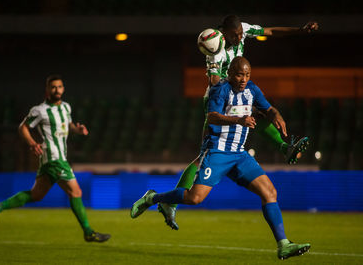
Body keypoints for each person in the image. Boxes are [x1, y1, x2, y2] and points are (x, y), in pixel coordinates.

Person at [131, 57, 310, 260]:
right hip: (217, 151)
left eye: (247, 74)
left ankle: (283, 244)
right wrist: (239, 120)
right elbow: (212, 116)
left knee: (270, 192)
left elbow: (267, 109)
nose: (244, 79)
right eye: (240, 74)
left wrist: (276, 114)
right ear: (231, 73)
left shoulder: (252, 89)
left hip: (239, 155)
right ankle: (152, 198)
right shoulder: (221, 90)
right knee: (194, 198)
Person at [157, 15, 318, 230]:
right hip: (219, 97)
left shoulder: (243, 29)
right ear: (224, 32)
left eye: (241, 33)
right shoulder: (216, 47)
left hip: (236, 89)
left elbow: (270, 31)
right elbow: (215, 82)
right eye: (236, 35)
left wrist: (299, 29)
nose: (240, 37)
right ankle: (283, 146)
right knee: (207, 152)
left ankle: (283, 146)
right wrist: (230, 95)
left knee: (253, 118)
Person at [0, 74, 110, 243]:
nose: (56, 90)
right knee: (76, 192)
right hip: (54, 157)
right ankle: (88, 232)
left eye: (59, 87)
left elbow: (69, 125)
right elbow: (23, 127)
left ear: (63, 89)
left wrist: (77, 129)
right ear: (47, 90)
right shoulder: (40, 110)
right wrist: (31, 143)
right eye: (53, 87)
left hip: (51, 160)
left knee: (36, 195)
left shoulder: (66, 107)